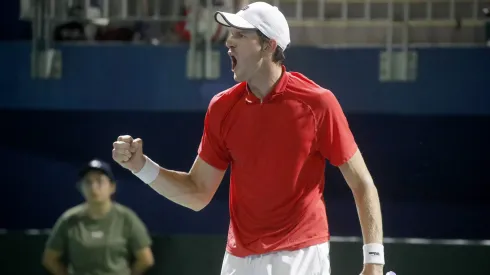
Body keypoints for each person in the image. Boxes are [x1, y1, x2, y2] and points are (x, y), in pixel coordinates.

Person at [112, 2, 385, 275]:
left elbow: (362, 184)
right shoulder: (222, 108)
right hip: (238, 259)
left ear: (268, 46)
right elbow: (197, 193)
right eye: (231, 34)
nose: (229, 42)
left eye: (241, 35)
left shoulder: (319, 103)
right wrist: (140, 166)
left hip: (300, 255)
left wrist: (373, 261)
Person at [42, 159, 154, 275]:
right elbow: (49, 259)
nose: (93, 187)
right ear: (80, 187)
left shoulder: (127, 218)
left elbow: (146, 259)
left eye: (99, 181)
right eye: (88, 182)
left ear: (112, 186)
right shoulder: (69, 219)